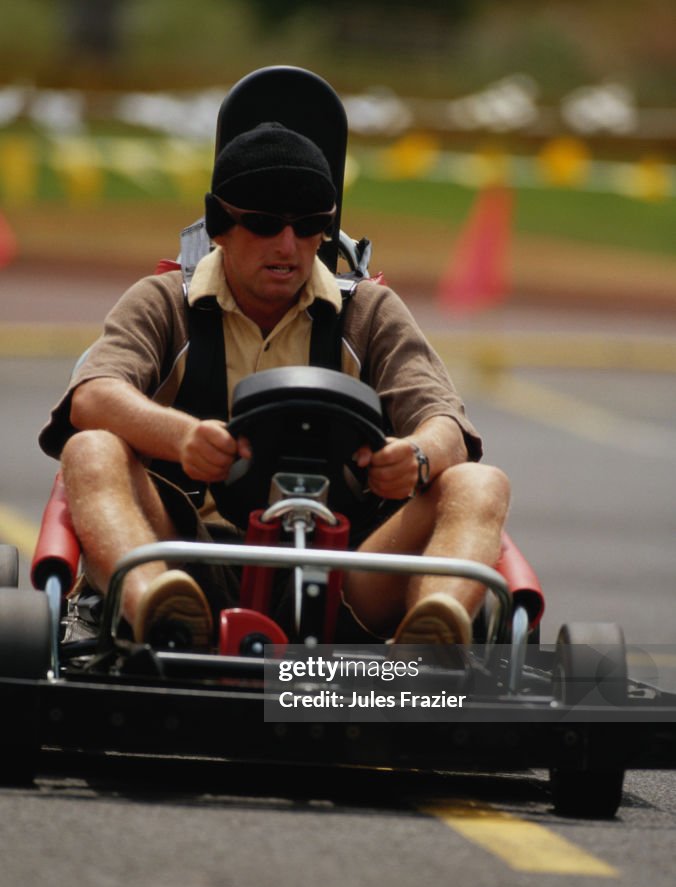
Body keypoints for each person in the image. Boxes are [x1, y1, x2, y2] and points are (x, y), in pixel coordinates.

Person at [39, 121, 510, 647]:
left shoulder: (370, 313)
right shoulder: (164, 302)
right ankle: (154, 608)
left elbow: (446, 422)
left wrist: (416, 456)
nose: (288, 245)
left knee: (480, 482)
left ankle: (431, 636)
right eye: (264, 224)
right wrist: (183, 438)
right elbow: (92, 396)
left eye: (307, 226)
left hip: (347, 571)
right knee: (90, 449)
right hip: (194, 562)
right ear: (219, 225)